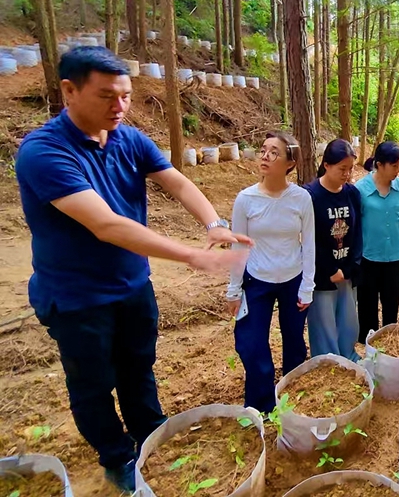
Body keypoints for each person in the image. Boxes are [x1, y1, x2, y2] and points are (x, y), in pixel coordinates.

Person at [14, 46, 251, 493]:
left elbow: (176, 180)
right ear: (69, 90)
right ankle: (117, 455)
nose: (119, 106)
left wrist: (214, 224)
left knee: (139, 366)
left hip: (132, 286)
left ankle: (150, 434)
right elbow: (106, 225)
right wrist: (190, 255)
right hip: (77, 298)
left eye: (124, 95)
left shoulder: (127, 137)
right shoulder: (44, 152)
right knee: (93, 384)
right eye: (107, 96)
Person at [226, 131, 315, 416]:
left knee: (294, 345)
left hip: (293, 280)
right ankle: (260, 409)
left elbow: (310, 244)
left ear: (290, 163)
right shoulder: (246, 199)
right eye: (263, 150)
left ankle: (292, 403)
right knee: (251, 345)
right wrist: (234, 288)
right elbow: (238, 243)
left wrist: (307, 286)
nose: (265, 156)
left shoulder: (301, 198)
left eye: (274, 152)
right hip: (256, 282)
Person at [304, 139, 362, 361]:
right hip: (322, 274)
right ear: (326, 165)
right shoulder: (310, 195)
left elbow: (357, 234)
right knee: (324, 324)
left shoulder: (352, 194)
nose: (346, 174)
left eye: (350, 169)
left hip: (347, 270)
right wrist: (329, 269)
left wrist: (349, 268)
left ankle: (348, 359)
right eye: (342, 169)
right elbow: (310, 238)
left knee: (347, 320)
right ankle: (327, 363)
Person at [355, 141, 399, 343]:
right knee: (367, 307)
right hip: (368, 258)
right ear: (379, 164)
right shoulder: (360, 190)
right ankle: (368, 347)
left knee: (391, 305)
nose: (398, 170)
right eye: (394, 165)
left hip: (394, 257)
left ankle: (388, 346)